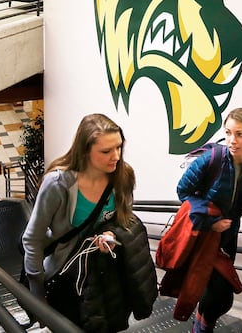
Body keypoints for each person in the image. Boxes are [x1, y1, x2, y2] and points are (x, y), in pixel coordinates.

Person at [21, 113, 157, 332]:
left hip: (107, 275)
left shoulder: (122, 174)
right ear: (85, 151)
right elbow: (32, 239)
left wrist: (113, 235)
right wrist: (38, 296)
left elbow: (124, 218)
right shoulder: (59, 184)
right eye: (106, 151)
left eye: (119, 147)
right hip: (69, 274)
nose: (116, 156)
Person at [176, 107, 242, 333]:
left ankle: (201, 324)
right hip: (202, 235)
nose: (232, 140)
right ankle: (201, 326)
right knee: (222, 297)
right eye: (228, 133)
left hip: (228, 238)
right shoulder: (213, 158)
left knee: (216, 295)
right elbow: (183, 191)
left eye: (240, 134)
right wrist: (211, 221)